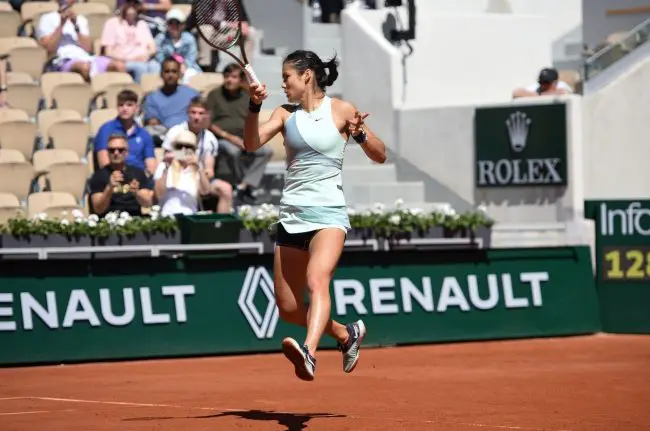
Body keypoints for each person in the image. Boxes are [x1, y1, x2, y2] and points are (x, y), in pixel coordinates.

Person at [243, 50, 387, 381]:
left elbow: (380, 155)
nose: (283, 84)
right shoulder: (284, 113)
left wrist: (361, 134)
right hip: (292, 216)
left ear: (306, 75)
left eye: (287, 77)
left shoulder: (341, 110)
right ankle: (345, 334)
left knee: (317, 280)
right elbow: (251, 143)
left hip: (329, 214)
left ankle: (309, 352)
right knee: (289, 309)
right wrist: (253, 106)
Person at [207, 63, 273, 204]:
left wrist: (252, 138)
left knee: (266, 151)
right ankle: (241, 186)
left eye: (233, 77)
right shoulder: (214, 95)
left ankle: (244, 185)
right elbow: (208, 122)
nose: (229, 80)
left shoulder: (247, 95)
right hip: (221, 137)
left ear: (241, 80)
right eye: (227, 76)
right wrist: (229, 137)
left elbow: (253, 117)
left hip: (244, 137)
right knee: (233, 151)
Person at [162, 96, 234, 213]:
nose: (196, 117)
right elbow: (166, 157)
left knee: (226, 189)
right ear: (187, 113)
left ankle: (221, 222)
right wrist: (188, 157)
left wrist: (199, 169)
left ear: (207, 115)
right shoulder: (175, 132)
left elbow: (210, 171)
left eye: (201, 113)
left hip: (199, 175)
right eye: (193, 112)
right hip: (177, 173)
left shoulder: (209, 138)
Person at [38, 0, 124, 81]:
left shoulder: (81, 20)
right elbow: (49, 48)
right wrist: (62, 24)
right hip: (63, 59)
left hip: (86, 57)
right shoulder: (47, 18)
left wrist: (76, 25)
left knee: (119, 66)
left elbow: (88, 48)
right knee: (84, 67)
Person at [89, 132, 154, 217]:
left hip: (134, 219)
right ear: (107, 152)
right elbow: (98, 209)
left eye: (120, 150)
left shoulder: (138, 173)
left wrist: (137, 193)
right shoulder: (99, 176)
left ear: (126, 152)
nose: (116, 153)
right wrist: (109, 188)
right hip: (109, 220)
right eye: (112, 150)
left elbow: (148, 203)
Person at [94, 89, 157, 176]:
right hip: (114, 177)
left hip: (139, 178)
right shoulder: (106, 130)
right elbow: (104, 164)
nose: (124, 109)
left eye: (129, 105)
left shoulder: (144, 134)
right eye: (121, 105)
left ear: (137, 108)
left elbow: (151, 167)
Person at [154, 130, 211, 216]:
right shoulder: (164, 166)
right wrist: (166, 168)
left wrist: (199, 168)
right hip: (167, 216)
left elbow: (205, 191)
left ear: (193, 150)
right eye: (179, 146)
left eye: (188, 147)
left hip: (190, 216)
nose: (183, 150)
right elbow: (158, 194)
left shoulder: (196, 168)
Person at [100, 2, 159, 83]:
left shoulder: (142, 24)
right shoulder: (112, 23)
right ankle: (138, 89)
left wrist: (146, 55)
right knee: (140, 68)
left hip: (143, 59)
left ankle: (153, 90)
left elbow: (153, 48)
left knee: (155, 66)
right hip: (123, 60)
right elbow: (108, 52)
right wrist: (129, 59)